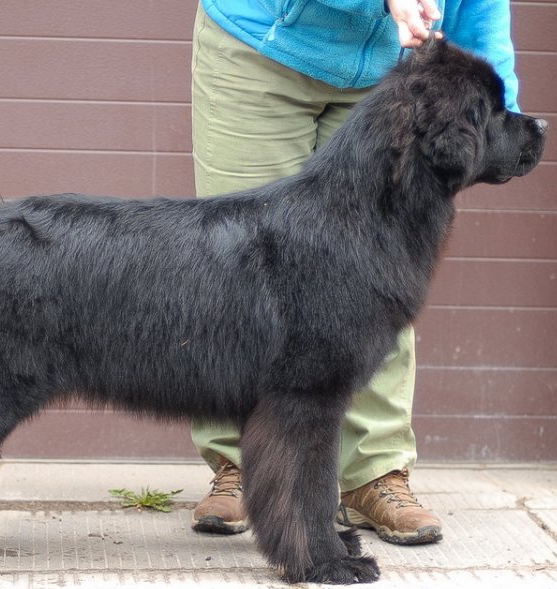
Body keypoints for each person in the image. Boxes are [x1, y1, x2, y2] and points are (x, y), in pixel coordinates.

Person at [189, 0, 519, 545]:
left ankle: (373, 471)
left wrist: (498, 118)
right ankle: (239, 464)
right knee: (239, 270)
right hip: (264, 43)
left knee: (379, 279)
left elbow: (480, 11)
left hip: (393, 76)